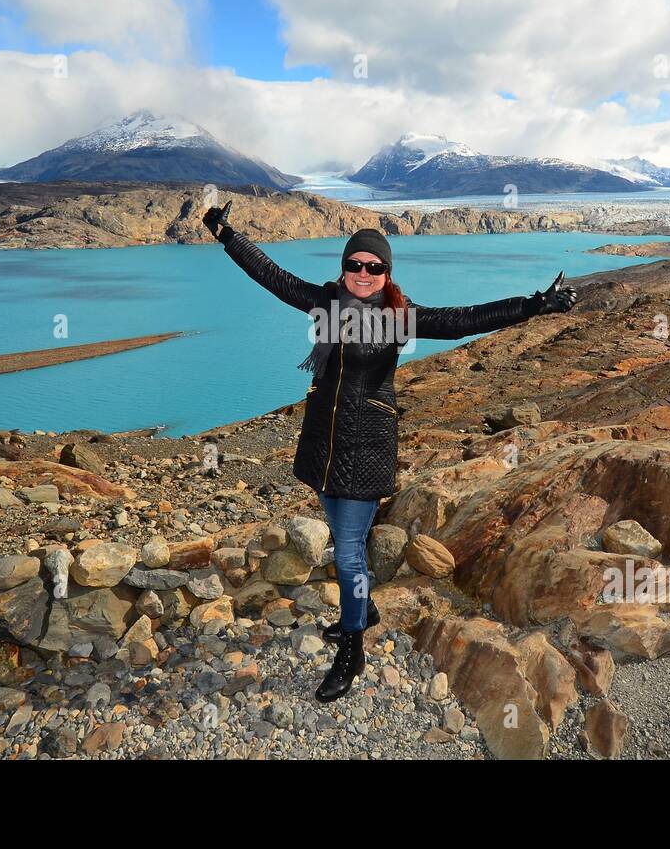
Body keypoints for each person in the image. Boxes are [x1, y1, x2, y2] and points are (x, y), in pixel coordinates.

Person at [201, 200, 579, 703]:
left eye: (373, 266)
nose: (363, 273)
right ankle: (366, 612)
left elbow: (463, 319)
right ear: (344, 267)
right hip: (324, 442)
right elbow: (273, 276)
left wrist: (532, 304)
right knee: (341, 537)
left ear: (386, 273)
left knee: (351, 554)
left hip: (366, 445)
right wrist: (227, 234)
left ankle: (353, 649)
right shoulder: (325, 302)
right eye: (355, 264)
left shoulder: (399, 318)